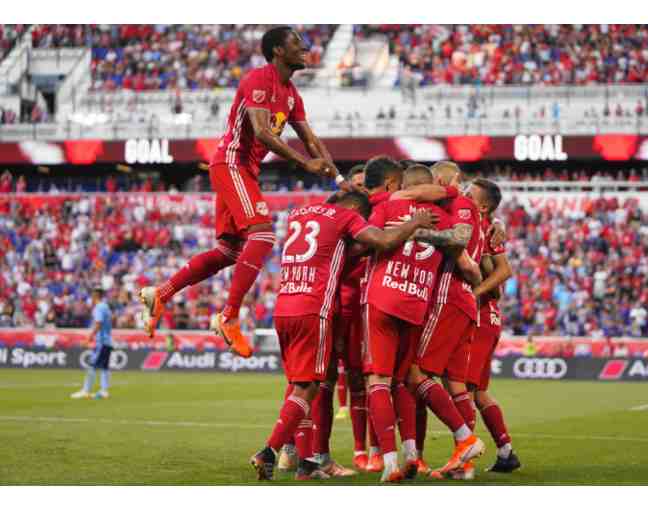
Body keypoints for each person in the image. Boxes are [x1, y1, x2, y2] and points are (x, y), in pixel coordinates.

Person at [140, 26, 341, 357]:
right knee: (262, 235)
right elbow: (262, 133)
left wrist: (339, 178)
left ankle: (161, 293)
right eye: (296, 43)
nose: (304, 48)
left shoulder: (291, 93)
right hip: (232, 163)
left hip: (245, 170)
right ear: (277, 50)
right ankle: (228, 316)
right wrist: (305, 165)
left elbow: (311, 140)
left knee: (230, 252)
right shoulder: (259, 80)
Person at [250, 191, 435, 481]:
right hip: (314, 308)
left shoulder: (300, 214)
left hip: (284, 305)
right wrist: (414, 223)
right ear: (353, 210)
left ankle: (306, 462)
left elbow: (339, 252)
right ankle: (269, 451)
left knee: (302, 384)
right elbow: (383, 240)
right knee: (310, 386)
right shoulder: (345, 216)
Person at [362, 164, 457, 483]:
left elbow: (369, 241)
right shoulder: (445, 218)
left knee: (378, 381)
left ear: (403, 185)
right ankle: (414, 455)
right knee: (403, 381)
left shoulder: (388, 205)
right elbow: (461, 246)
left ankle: (388, 463)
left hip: (382, 298)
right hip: (417, 302)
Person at [404, 162, 487, 479]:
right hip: (464, 301)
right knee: (455, 383)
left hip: (449, 296)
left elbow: (459, 241)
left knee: (416, 373)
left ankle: (460, 440)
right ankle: (463, 465)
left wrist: (415, 230)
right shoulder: (472, 212)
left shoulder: (460, 205)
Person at [468, 190, 521, 474]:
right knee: (477, 392)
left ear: (484, 205)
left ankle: (463, 459)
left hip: (480, 317)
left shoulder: (487, 230)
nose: (463, 194)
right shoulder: (484, 226)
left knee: (464, 389)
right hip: (480, 317)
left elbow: (502, 274)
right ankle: (506, 452)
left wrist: (474, 292)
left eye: (470, 193)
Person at [71, 288, 113, 400]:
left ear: (95, 296)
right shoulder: (106, 307)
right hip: (108, 341)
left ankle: (86, 390)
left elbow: (98, 323)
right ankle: (104, 391)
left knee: (92, 365)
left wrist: (88, 339)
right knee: (104, 367)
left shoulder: (98, 308)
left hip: (102, 341)